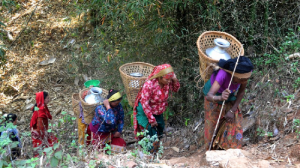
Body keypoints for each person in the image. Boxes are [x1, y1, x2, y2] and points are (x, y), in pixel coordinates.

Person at [203, 56, 254, 150]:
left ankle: (230, 148)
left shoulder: (244, 75)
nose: (244, 81)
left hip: (229, 95)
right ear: (233, 75)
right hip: (214, 96)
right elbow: (209, 96)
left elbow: (241, 92)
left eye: (246, 79)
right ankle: (211, 150)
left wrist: (232, 110)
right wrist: (220, 97)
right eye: (241, 79)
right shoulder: (223, 74)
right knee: (213, 124)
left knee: (234, 122)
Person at [133, 64, 180, 139]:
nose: (169, 81)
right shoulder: (149, 85)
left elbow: (175, 89)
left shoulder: (167, 82)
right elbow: (145, 103)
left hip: (158, 110)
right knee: (150, 131)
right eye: (167, 79)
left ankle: (156, 147)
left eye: (170, 79)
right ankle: (148, 148)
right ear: (159, 77)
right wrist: (151, 119)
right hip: (145, 109)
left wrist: (174, 80)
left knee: (160, 128)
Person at [30, 91, 58, 157]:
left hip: (43, 130)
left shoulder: (42, 106)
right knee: (43, 149)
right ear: (43, 100)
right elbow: (40, 127)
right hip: (39, 133)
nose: (49, 100)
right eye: (47, 98)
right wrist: (44, 137)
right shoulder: (40, 112)